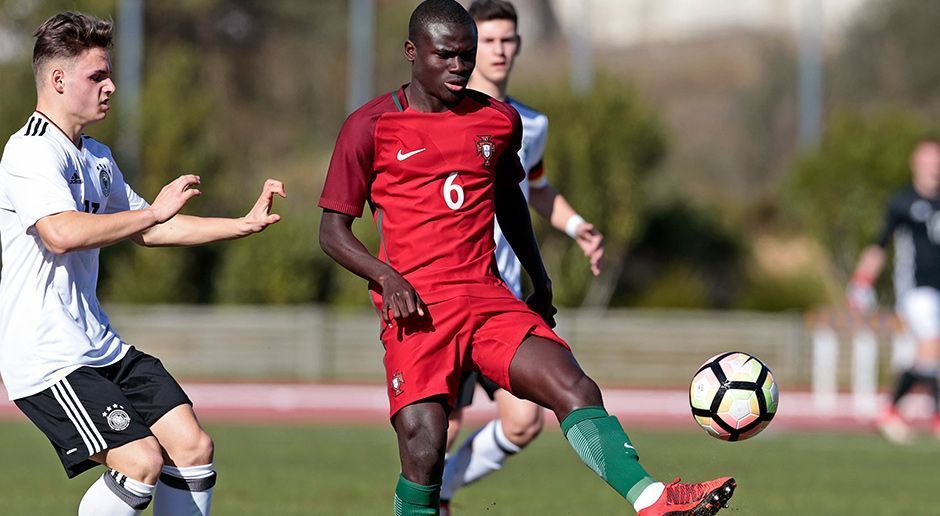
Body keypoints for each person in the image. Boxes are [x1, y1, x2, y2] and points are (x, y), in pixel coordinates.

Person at [318, 1, 734, 514]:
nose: (459, 67)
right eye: (446, 55)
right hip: (417, 310)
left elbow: (510, 202)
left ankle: (655, 502)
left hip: (489, 300)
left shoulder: (496, 121)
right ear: (411, 52)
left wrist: (539, 280)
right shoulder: (369, 126)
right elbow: (332, 232)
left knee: (573, 384)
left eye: (466, 56)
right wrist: (386, 277)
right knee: (424, 448)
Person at [0, 12, 285, 515]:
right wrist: (151, 210)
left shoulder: (97, 158)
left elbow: (150, 228)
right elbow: (61, 232)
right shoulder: (29, 152)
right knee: (140, 460)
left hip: (97, 344)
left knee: (192, 448)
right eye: (97, 76)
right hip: (47, 357)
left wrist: (240, 223)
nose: (110, 86)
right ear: (58, 80)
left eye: (109, 74)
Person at [439, 1, 604, 512]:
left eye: (508, 40)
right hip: (444, 295)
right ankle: (426, 497)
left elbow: (536, 188)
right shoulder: (442, 116)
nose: (499, 50)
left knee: (524, 420)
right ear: (467, 45)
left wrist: (578, 227)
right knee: (438, 430)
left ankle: (441, 491)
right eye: (489, 40)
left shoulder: (529, 123)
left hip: (501, 300)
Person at [848, 137, 940, 443]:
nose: (934, 167)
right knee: (931, 345)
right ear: (916, 164)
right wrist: (861, 282)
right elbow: (879, 246)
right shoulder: (902, 202)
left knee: (926, 356)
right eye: (927, 160)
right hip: (915, 290)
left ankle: (888, 412)